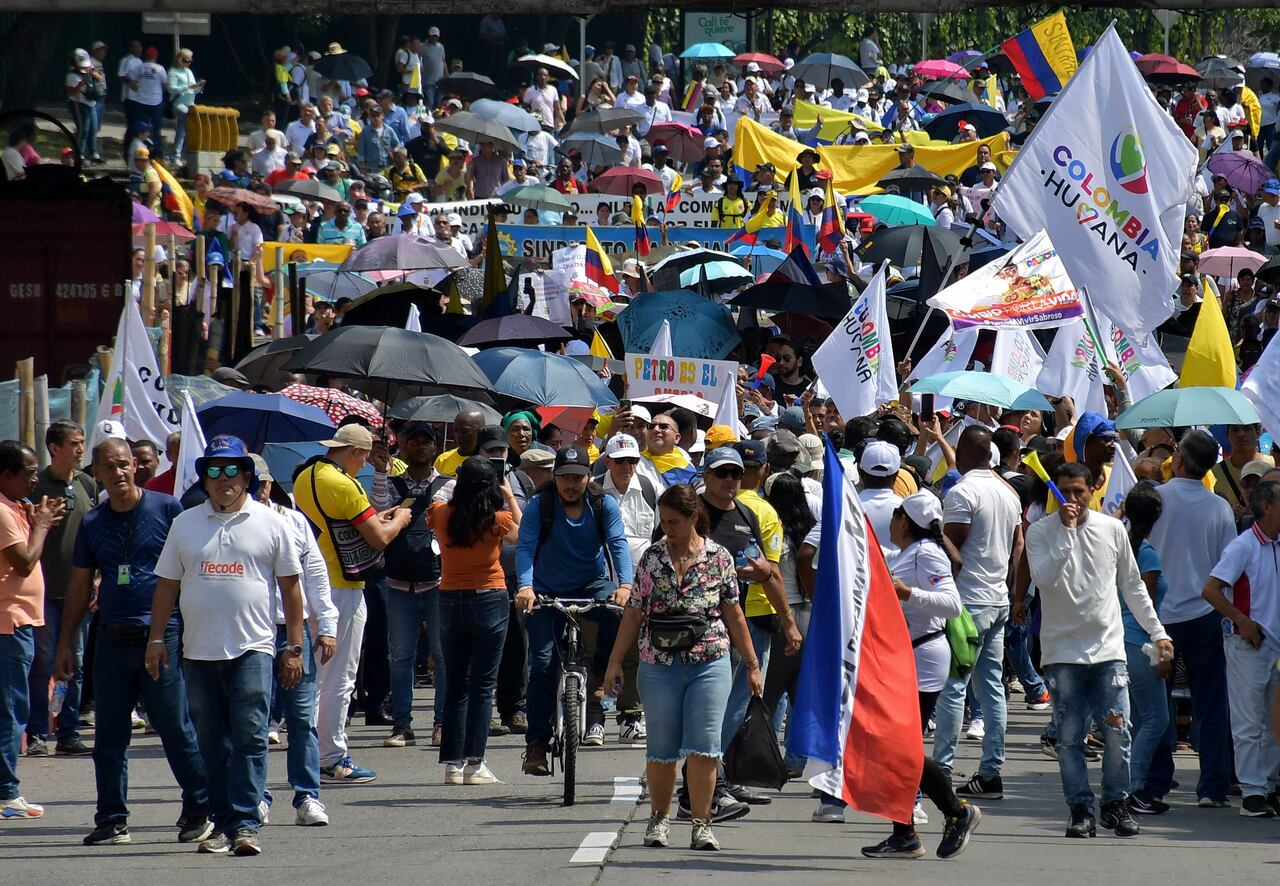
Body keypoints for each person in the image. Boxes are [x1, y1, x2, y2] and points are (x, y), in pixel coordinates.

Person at [146, 436, 305, 857]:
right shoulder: (185, 523)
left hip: (253, 647)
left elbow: (291, 588)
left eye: (231, 470)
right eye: (213, 471)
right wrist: (157, 638)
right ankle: (221, 822)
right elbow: (166, 586)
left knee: (251, 735)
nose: (222, 479)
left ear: (247, 477)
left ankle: (245, 824)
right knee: (212, 742)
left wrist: (294, 646)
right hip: (198, 651)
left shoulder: (273, 523)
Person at [54, 438, 212, 845]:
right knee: (108, 734)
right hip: (111, 637)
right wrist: (66, 644)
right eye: (110, 467)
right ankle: (111, 819)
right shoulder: (93, 521)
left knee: (174, 727)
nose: (120, 472)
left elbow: (189, 571)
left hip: (160, 636)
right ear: (98, 473)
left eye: (125, 464)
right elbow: (79, 584)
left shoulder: (166, 509)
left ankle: (199, 807)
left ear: (135, 467)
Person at [603, 484, 761, 852]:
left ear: (693, 518)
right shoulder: (652, 558)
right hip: (658, 662)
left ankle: (701, 823)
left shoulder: (719, 557)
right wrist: (614, 661)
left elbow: (733, 614)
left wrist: (752, 663)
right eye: (663, 521)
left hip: (709, 660)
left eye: (674, 521)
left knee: (705, 746)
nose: (667, 528)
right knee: (661, 747)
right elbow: (634, 612)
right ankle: (659, 819)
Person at [1025, 463, 1172, 839]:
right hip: (1062, 655)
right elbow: (1044, 580)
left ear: (1094, 489)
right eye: (1064, 493)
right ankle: (1079, 808)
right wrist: (1068, 533)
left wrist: (1158, 632)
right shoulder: (1041, 533)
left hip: (1109, 651)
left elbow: (1133, 586)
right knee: (1070, 738)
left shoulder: (1112, 531)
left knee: (1119, 733)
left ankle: (1114, 804)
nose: (1071, 500)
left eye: (1078, 491)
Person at [862, 492, 982, 859]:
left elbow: (951, 604)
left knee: (902, 749)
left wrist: (908, 592)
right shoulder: (910, 553)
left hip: (922, 659)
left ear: (904, 520)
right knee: (897, 749)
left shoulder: (927, 552)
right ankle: (905, 833)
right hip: (907, 657)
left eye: (896, 515)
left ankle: (957, 812)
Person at [294, 425, 413, 787]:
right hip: (343, 585)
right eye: (364, 456)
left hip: (311, 580)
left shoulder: (306, 475)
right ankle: (331, 758)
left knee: (315, 677)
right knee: (340, 677)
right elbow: (378, 537)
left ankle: (310, 753)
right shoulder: (344, 485)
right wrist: (401, 520)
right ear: (354, 452)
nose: (364, 463)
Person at [514, 445, 633, 775]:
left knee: (616, 612)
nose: (570, 484)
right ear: (554, 478)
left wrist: (625, 584)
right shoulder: (541, 505)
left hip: (591, 585)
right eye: (564, 477)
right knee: (540, 666)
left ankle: (598, 673)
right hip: (545, 591)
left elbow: (618, 544)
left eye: (577, 478)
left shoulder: (602, 503)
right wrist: (525, 587)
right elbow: (525, 547)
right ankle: (536, 744)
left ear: (587, 478)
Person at [1147, 429, 1236, 806]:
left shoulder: (1155, 499)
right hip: (1206, 615)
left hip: (1159, 616)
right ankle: (1213, 787)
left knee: (1156, 702)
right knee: (1211, 703)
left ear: (1179, 460)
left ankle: (1156, 781)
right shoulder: (1219, 508)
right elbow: (1228, 568)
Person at [935, 426, 1023, 798]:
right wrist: (1013, 591)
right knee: (991, 688)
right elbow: (1019, 546)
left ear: (964, 453)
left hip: (967, 603)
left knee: (953, 688)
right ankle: (991, 773)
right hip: (997, 600)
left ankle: (940, 772)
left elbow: (950, 550)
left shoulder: (962, 492)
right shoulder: (1008, 492)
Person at [252, 456, 337, 827]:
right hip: (248, 634)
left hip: (291, 630)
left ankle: (307, 797)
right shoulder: (223, 524)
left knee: (302, 718)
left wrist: (327, 624)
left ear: (268, 485)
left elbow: (315, 571)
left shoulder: (292, 521)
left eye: (257, 483)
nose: (252, 489)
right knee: (252, 722)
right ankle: (256, 797)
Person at [428, 457, 521, 784]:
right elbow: (519, 537)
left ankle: (452, 765)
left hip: (450, 596)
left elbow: (436, 501)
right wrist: (508, 495)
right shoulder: (497, 518)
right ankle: (474, 763)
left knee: (455, 683)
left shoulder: (441, 515)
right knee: (483, 685)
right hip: (489, 596)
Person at [1202, 479, 1280, 817]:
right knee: (1249, 721)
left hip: (1276, 647)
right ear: (1267, 507)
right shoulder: (1243, 546)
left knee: (1275, 721)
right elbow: (1211, 589)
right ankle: (1252, 791)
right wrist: (1242, 621)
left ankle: (1270, 784)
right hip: (1248, 644)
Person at [373, 423, 449, 749]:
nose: (420, 445)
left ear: (435, 447)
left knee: (442, 656)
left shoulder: (449, 486)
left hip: (437, 582)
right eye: (414, 440)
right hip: (397, 581)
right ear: (403, 446)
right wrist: (379, 471)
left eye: (426, 441)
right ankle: (402, 725)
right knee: (400, 656)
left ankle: (442, 723)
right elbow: (375, 514)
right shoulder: (390, 484)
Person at [0, 441, 64, 820]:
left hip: (21, 621)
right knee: (11, 710)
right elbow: (23, 562)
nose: (35, 479)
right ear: (6, 475)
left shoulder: (14, 508)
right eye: (28, 473)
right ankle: (7, 791)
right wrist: (39, 527)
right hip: (10, 625)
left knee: (13, 706)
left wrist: (35, 519)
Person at [25, 421, 95, 757]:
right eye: (74, 443)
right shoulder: (37, 487)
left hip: (78, 593)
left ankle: (68, 731)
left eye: (82, 443)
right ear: (54, 448)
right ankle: (38, 731)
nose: (81, 449)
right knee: (43, 662)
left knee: (74, 662)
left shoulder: (88, 484)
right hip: (43, 592)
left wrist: (97, 580)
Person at [1117, 482, 1172, 817]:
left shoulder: (1121, 543)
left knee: (1138, 719)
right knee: (1156, 719)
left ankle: (1128, 787)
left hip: (1122, 640)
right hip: (1140, 643)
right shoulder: (1145, 552)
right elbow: (1146, 606)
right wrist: (1159, 647)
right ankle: (1134, 790)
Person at [600, 433, 658, 743]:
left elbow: (661, 531)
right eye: (620, 460)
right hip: (599, 583)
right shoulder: (594, 489)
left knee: (635, 651)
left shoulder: (649, 488)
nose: (627, 466)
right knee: (596, 649)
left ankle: (630, 717)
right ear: (607, 460)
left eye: (633, 460)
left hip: (640, 587)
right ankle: (593, 718)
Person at [435, 409, 486, 477]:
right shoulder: (443, 460)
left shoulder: (487, 462)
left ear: (480, 432)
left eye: (465, 431)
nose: (458, 436)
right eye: (456, 430)